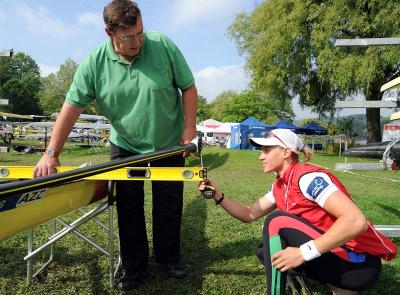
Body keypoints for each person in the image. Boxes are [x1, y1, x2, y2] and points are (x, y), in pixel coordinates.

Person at [34, 0, 198, 291]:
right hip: (125, 144)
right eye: (128, 37)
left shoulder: (163, 45)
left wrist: (188, 131)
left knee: (168, 201)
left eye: (140, 34)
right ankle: (134, 266)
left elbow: (188, 86)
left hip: (168, 142)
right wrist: (51, 153)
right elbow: (71, 108)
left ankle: (168, 257)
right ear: (109, 33)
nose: (137, 42)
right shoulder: (94, 62)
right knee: (129, 205)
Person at [199, 129, 397, 295]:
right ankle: (338, 285)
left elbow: (356, 221)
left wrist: (303, 252)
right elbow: (249, 214)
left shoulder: (308, 178)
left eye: (267, 150)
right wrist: (218, 195)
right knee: (265, 250)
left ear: (286, 152)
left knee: (277, 222)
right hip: (343, 262)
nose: (260, 156)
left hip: (360, 263)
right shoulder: (280, 185)